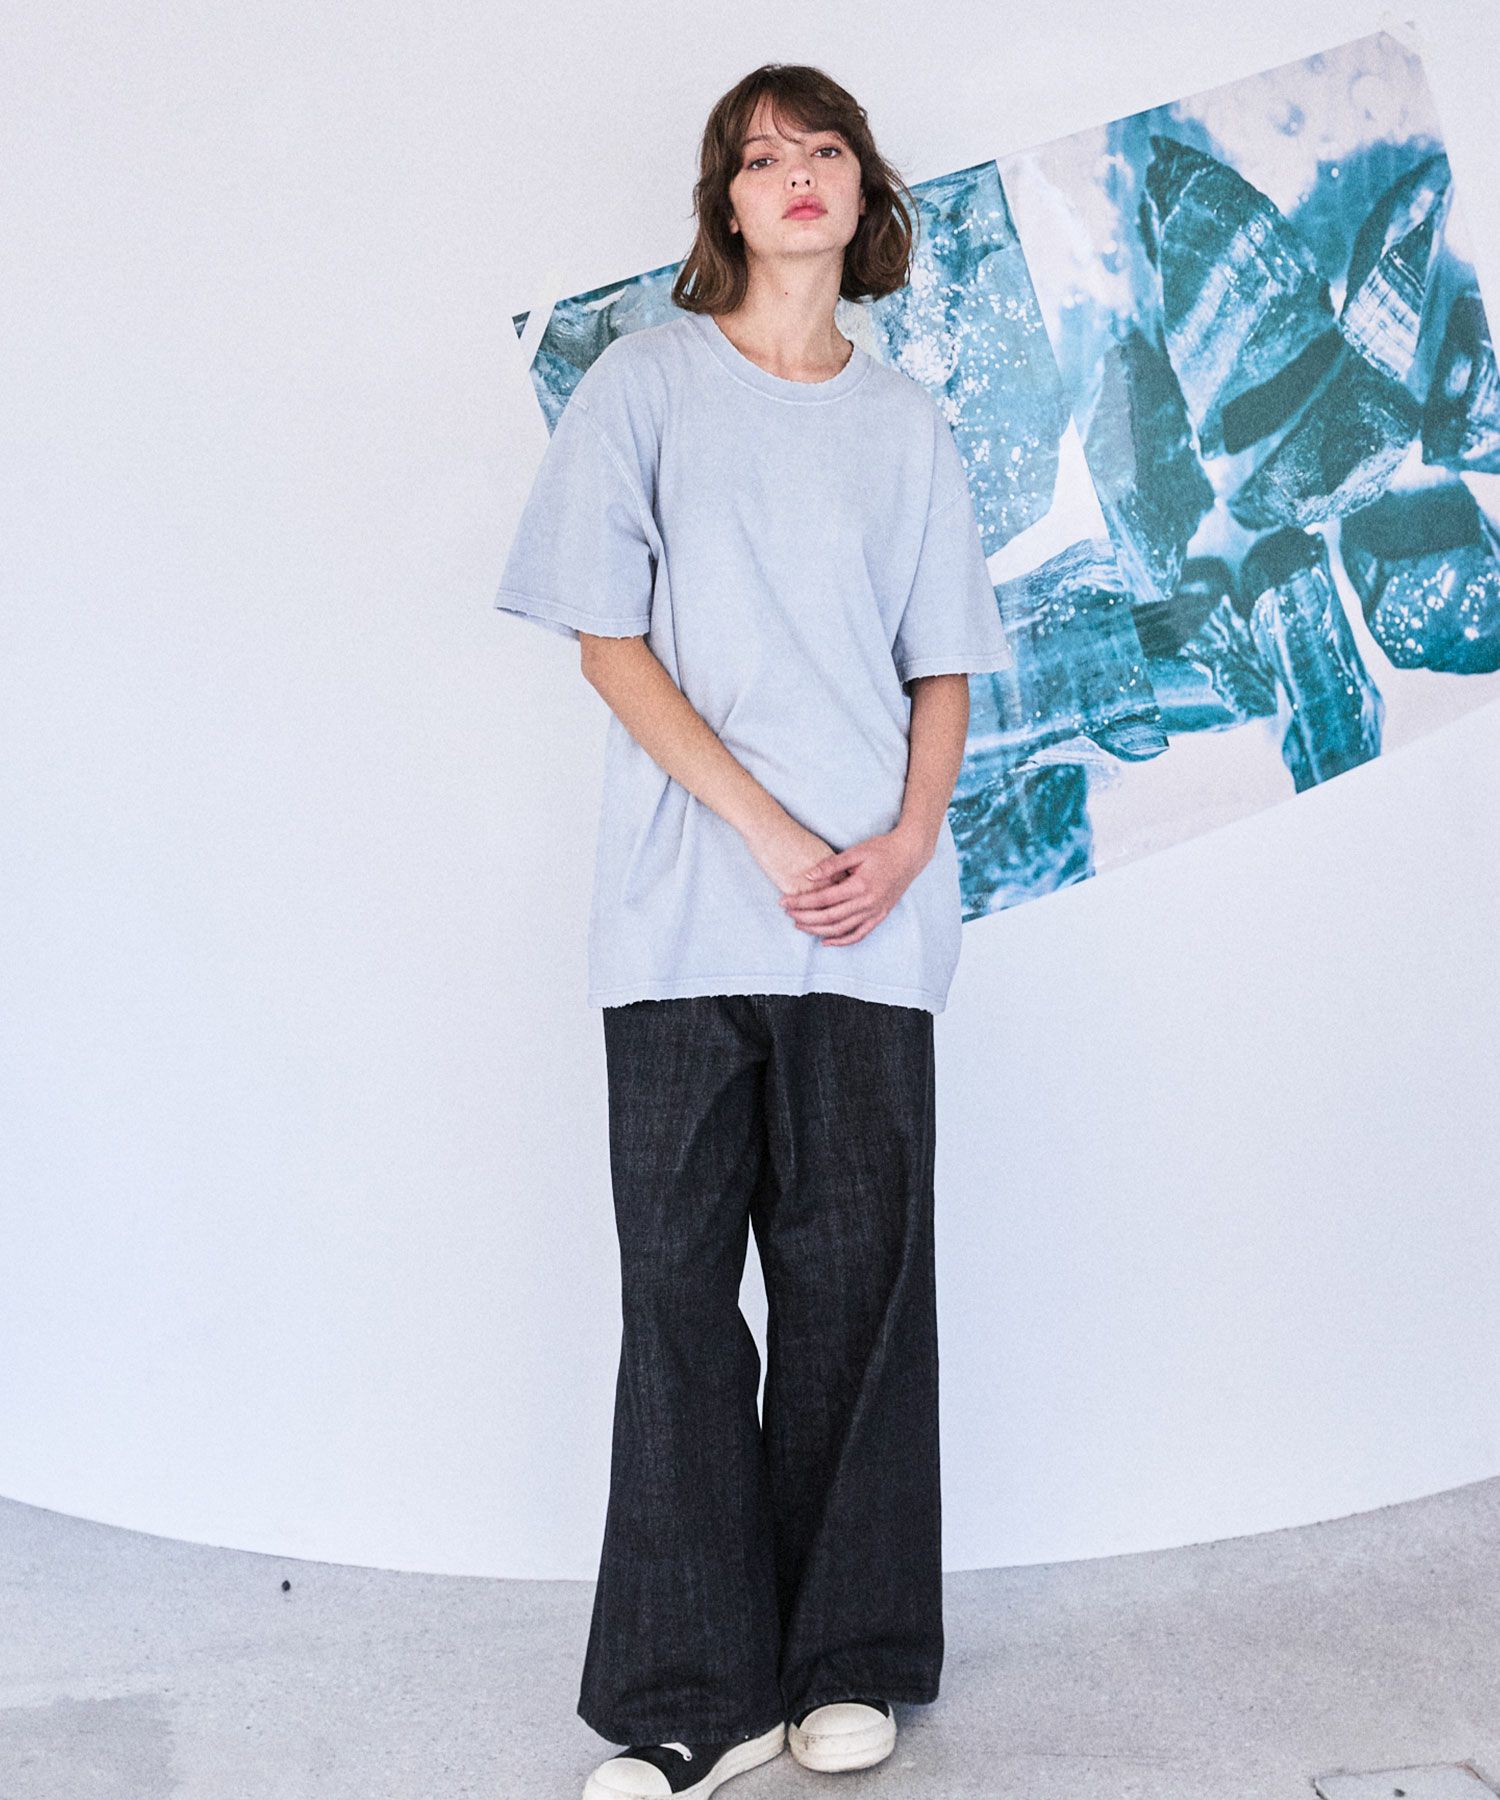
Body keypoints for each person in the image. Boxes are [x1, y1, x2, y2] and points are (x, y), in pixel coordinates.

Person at [495, 62, 1014, 1800]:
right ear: (724, 201)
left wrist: (905, 845)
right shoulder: (644, 387)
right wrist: (773, 830)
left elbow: (944, 671)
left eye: (826, 151)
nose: (797, 175)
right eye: (763, 156)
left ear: (865, 195)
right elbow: (609, 645)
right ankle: (689, 1692)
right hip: (682, 917)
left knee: (857, 1297)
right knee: (678, 1299)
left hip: (868, 923)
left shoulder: (908, 425)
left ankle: (847, 1663)